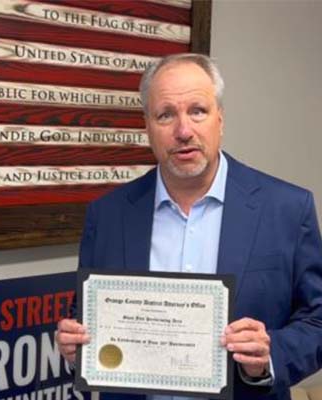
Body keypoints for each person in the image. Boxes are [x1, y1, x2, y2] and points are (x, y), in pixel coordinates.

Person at [56, 53, 322, 400]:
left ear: (220, 118)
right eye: (165, 115)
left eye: (198, 111)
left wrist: (271, 354)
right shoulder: (107, 215)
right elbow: (85, 317)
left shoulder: (286, 208)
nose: (183, 131)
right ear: (147, 126)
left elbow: (317, 320)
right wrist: (75, 347)